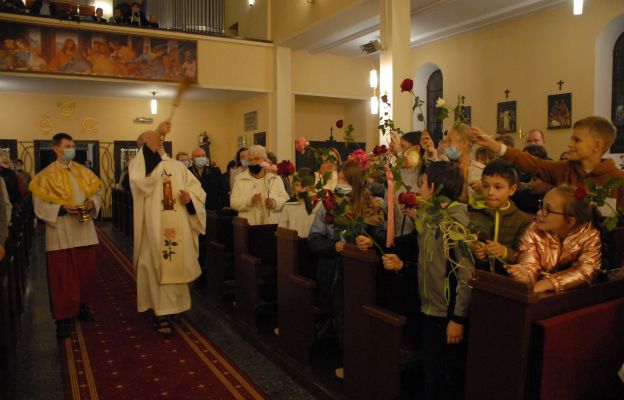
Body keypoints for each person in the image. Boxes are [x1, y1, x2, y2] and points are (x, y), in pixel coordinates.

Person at [382, 161, 474, 400]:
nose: (419, 189)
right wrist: (402, 264)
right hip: (429, 308)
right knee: (431, 371)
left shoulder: (454, 223)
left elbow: (463, 275)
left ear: (434, 188)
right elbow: (427, 264)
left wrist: (458, 318)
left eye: (422, 184)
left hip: (446, 314)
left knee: (446, 375)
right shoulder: (431, 218)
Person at [308, 160, 385, 378]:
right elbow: (313, 240)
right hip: (334, 270)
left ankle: (361, 363)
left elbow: (380, 237)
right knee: (341, 316)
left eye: (344, 179)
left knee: (360, 317)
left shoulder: (371, 204)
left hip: (363, 271)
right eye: (338, 178)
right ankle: (347, 362)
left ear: (355, 182)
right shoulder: (328, 205)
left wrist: (368, 241)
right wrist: (334, 246)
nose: (339, 183)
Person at [129, 121, 206, 336]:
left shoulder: (178, 166)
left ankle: (176, 308)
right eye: (152, 141)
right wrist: (156, 135)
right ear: (142, 147)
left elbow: (198, 191)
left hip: (178, 225)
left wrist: (189, 198)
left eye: (159, 140)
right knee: (155, 266)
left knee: (178, 265)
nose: (158, 143)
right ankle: (161, 313)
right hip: (153, 228)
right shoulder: (139, 165)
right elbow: (140, 182)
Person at [29, 132, 102, 339]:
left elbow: (97, 192)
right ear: (56, 148)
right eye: (68, 145)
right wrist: (61, 208)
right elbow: (39, 205)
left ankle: (82, 305)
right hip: (60, 231)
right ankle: (63, 318)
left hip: (83, 229)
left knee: (84, 272)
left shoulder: (83, 171)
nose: (72, 149)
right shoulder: (44, 177)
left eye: (73, 145)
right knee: (63, 277)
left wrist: (92, 203)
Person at [472, 116, 624, 208]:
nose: (570, 144)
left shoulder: (618, 180)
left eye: (577, 140)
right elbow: (534, 164)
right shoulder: (564, 170)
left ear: (597, 145)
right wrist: (496, 146)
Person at [506, 185, 601, 293]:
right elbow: (529, 262)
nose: (539, 213)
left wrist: (548, 283)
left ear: (570, 221)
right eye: (541, 205)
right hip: (539, 296)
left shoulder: (590, 236)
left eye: (548, 210)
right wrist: (525, 275)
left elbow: (586, 271)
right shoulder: (533, 231)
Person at [470, 160, 531, 274]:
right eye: (485, 186)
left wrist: (504, 252)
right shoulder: (471, 213)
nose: (490, 192)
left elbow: (524, 255)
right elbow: (461, 243)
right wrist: (473, 248)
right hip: (475, 278)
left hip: (505, 281)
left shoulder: (522, 220)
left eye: (498, 187)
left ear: (512, 190)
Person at [230, 145, 289, 225]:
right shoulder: (240, 179)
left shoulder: (274, 179)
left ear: (264, 160)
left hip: (271, 224)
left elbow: (285, 199)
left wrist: (274, 202)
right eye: (250, 160)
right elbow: (233, 202)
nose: (253, 162)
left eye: (257, 159)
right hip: (249, 225)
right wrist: (249, 201)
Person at [278, 168, 319, 238]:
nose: (300, 189)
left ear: (312, 186)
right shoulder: (288, 206)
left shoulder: (319, 204)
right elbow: (282, 231)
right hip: (294, 244)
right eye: (297, 185)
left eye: (304, 185)